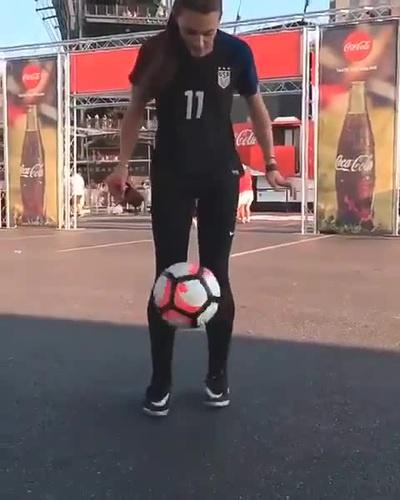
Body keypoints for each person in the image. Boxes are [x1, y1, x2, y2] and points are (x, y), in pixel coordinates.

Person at [107, 0, 293, 417]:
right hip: (172, 175)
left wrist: (271, 163)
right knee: (165, 277)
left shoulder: (236, 52)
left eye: (209, 33)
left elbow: (258, 108)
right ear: (176, 20)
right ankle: (161, 381)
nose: (201, 42)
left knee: (217, 275)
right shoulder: (155, 52)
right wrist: (121, 165)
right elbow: (135, 109)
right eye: (191, 32)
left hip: (219, 175)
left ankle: (217, 375)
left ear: (219, 22)